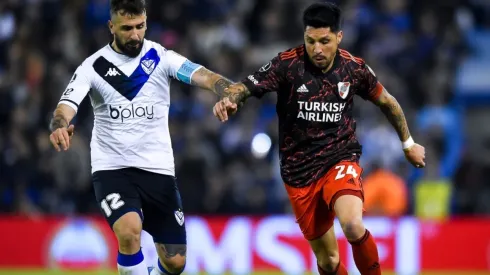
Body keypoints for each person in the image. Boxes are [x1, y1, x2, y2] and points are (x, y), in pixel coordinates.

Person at [213, 2, 425, 275]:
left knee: (352, 225)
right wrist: (230, 99)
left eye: (325, 41)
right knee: (328, 261)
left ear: (339, 36)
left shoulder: (353, 68)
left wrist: (408, 144)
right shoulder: (287, 64)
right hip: (298, 174)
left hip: (340, 160)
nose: (317, 49)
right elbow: (246, 85)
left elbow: (387, 101)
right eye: (310, 41)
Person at [48, 0, 234, 275]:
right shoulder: (93, 66)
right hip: (113, 168)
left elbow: (202, 75)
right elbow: (65, 106)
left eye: (140, 26)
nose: (135, 34)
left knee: (175, 262)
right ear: (111, 26)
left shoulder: (162, 58)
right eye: (127, 28)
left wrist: (228, 90)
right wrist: (59, 125)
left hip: (158, 169)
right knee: (129, 231)